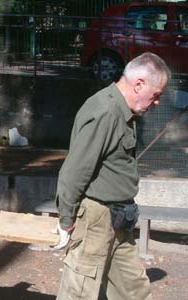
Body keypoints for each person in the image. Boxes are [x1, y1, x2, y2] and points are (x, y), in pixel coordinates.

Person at [55, 52, 171, 300]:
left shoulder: (122, 110)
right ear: (139, 83)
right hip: (96, 219)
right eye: (157, 94)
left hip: (118, 218)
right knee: (79, 293)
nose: (157, 102)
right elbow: (75, 171)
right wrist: (66, 218)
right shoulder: (106, 112)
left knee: (134, 291)